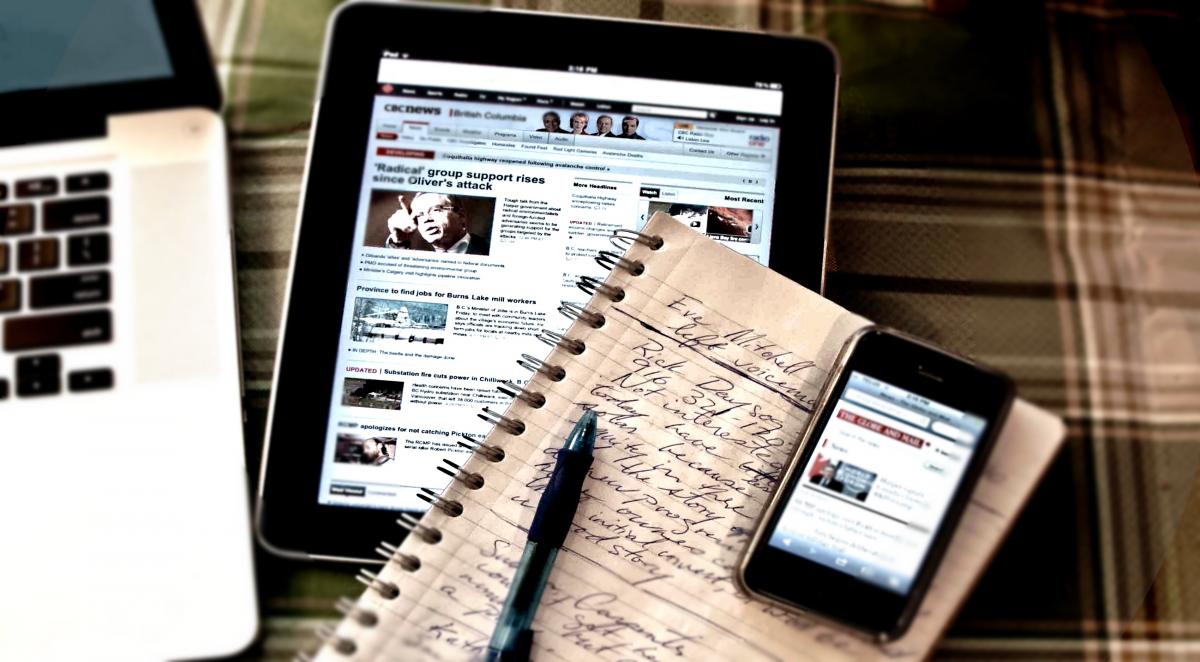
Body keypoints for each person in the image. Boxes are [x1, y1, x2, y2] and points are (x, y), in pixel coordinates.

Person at [385, 192, 490, 255]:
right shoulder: (418, 259)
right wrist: (399, 242)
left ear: (461, 216)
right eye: (419, 215)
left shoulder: (491, 250)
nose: (426, 219)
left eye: (435, 210)